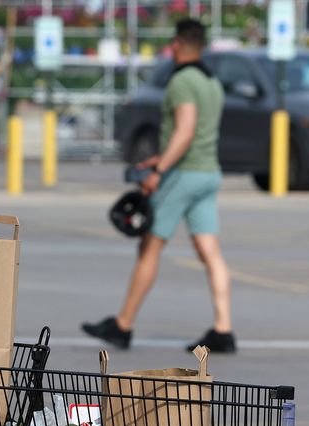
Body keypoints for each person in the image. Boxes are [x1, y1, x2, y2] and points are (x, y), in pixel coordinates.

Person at [82, 18, 236, 353]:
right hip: (209, 172)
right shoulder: (212, 82)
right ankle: (223, 328)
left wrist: (159, 169)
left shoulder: (182, 81)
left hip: (182, 174)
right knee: (210, 252)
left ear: (178, 44)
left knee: (149, 247)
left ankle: (123, 324)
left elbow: (185, 130)